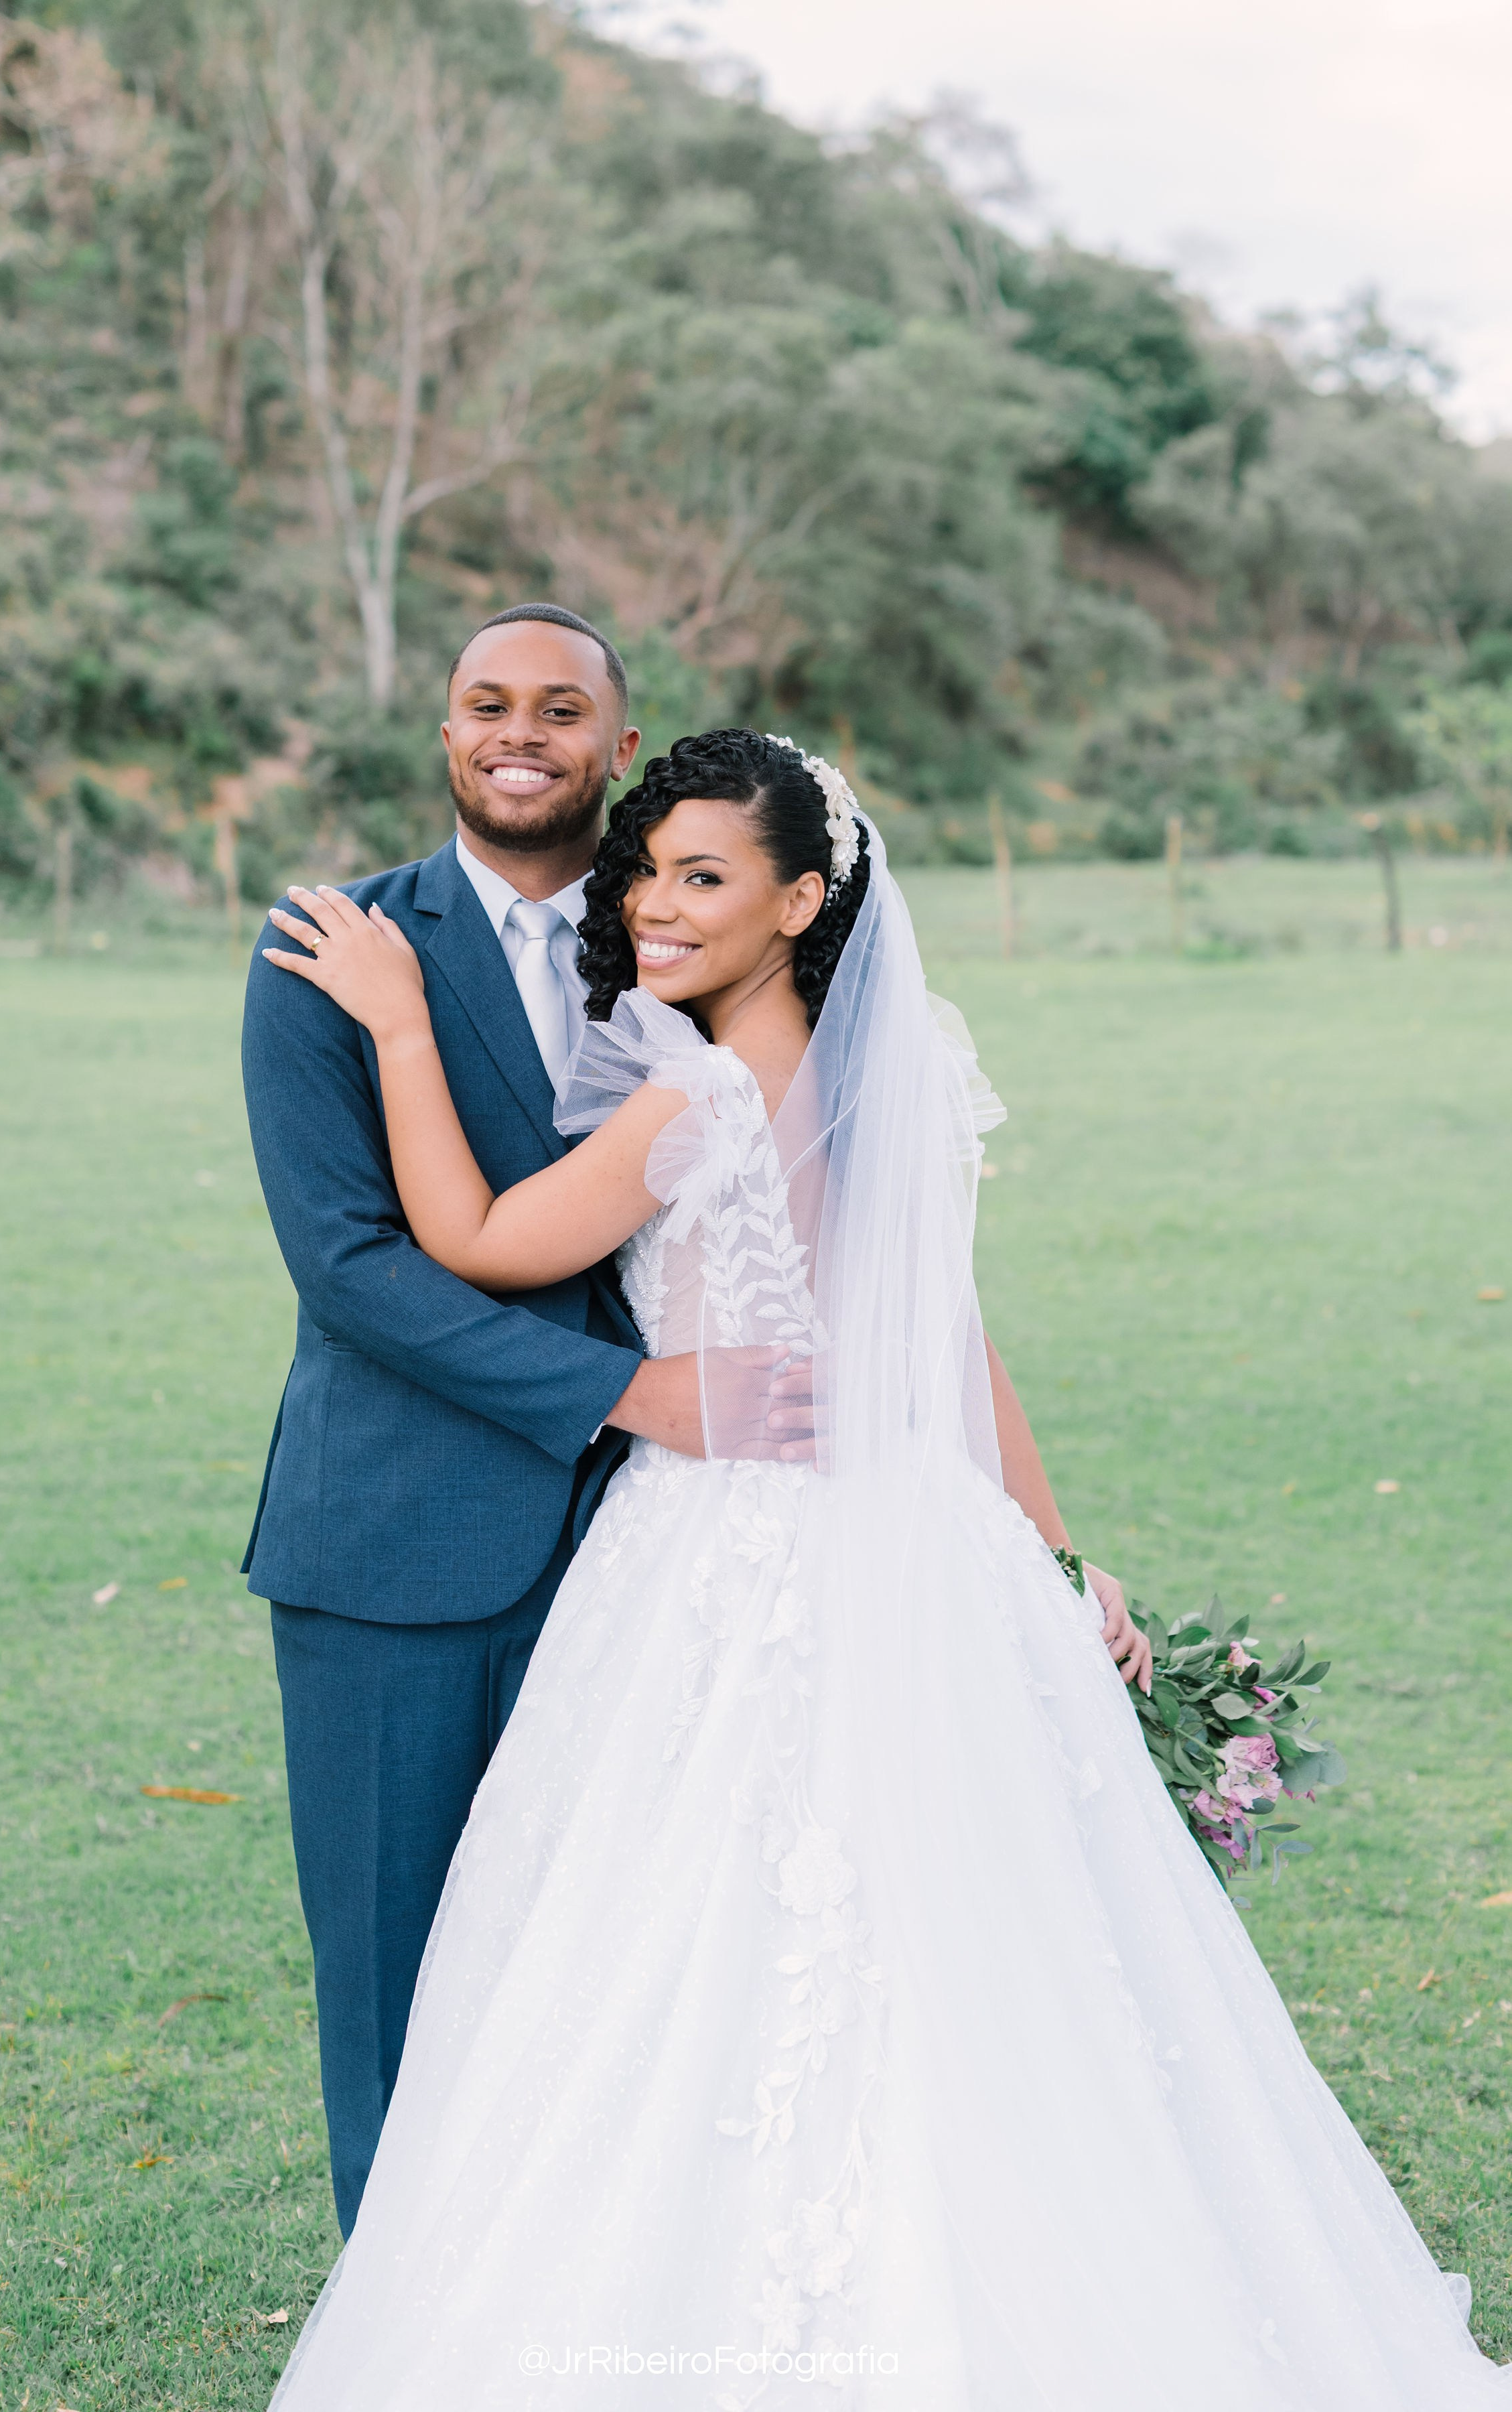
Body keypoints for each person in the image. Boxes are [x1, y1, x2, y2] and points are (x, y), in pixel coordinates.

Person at [255, 723, 1509, 2408]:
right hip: (923, 1530)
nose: (655, 907)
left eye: (704, 880)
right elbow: (957, 1341)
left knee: (699, 1932)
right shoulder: (902, 1068)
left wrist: (402, 1026)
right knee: (960, 1934)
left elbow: (472, 1240)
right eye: (648, 873)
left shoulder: (689, 1101)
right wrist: (1056, 1556)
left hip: (726, 1549)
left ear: (799, 901)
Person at [243, 606, 806, 2236]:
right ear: (442, 733)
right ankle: (399, 2339)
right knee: (397, 1990)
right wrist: (627, 1392)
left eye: (561, 710)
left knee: (609, 1988)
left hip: (645, 1564)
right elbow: (350, 1266)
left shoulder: (695, 946)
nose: (520, 733)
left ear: (614, 750)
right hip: (394, 1553)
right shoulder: (332, 948)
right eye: (485, 704)